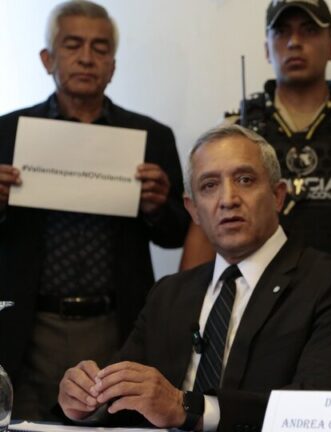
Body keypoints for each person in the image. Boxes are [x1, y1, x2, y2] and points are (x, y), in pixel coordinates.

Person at [57, 125, 331, 431]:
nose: (228, 199)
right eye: (209, 185)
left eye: (245, 180)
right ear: (193, 209)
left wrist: (188, 408)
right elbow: (123, 400)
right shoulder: (169, 294)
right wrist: (88, 400)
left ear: (278, 196)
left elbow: (320, 410)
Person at [0, 0, 188, 420]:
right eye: (73, 45)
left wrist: (158, 206)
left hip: (117, 324)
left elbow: (177, 234)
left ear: (113, 66)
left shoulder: (152, 136)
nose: (86, 58)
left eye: (100, 48)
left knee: (115, 423)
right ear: (47, 59)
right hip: (27, 326)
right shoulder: (7, 132)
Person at [179, 0, 331, 268]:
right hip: (257, 287)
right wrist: (192, 294)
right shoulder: (236, 128)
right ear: (267, 49)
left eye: (309, 30)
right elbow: (206, 226)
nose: (294, 42)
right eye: (282, 32)